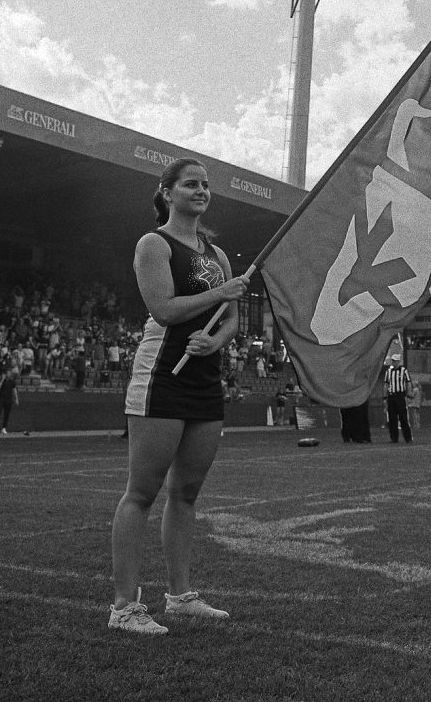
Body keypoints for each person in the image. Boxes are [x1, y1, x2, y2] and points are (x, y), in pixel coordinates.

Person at [109, 158, 249, 635]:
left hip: (205, 378)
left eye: (206, 185)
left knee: (186, 493)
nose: (201, 190)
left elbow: (233, 320)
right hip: (163, 374)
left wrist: (218, 340)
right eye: (191, 184)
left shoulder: (217, 252)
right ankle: (124, 606)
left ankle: (181, 596)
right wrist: (221, 294)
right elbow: (164, 310)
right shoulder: (154, 244)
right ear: (167, 192)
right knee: (142, 492)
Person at [383, 341, 413, 444]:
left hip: (400, 396)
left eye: (395, 361)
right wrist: (385, 397)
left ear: (398, 361)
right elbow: (386, 385)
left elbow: (408, 382)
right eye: (392, 361)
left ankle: (408, 437)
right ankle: (394, 438)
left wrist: (409, 393)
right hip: (391, 396)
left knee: (403, 418)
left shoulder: (404, 370)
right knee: (392, 418)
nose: (393, 363)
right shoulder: (389, 372)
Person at [0, 367, 19, 434]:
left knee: (6, 414)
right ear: (5, 374)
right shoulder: (2, 380)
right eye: (7, 373)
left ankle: (4, 428)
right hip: (1, 399)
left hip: (9, 400)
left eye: (10, 373)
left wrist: (16, 399)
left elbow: (14, 391)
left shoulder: (12, 382)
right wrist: (2, 380)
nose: (9, 374)